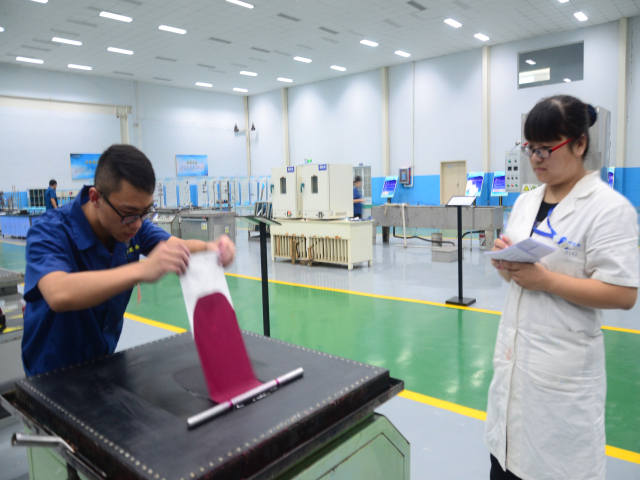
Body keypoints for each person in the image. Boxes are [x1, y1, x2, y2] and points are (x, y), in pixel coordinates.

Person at [484, 95, 638, 480]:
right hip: (514, 367)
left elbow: (623, 294)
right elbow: (519, 277)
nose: (535, 159)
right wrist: (506, 264)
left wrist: (547, 280)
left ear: (579, 144)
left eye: (545, 149)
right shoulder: (526, 202)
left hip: (563, 383)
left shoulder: (608, 208)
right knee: (505, 465)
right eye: (530, 148)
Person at [22, 145, 236, 377]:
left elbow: (177, 246)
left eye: (145, 212)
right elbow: (58, 292)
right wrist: (140, 271)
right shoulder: (49, 230)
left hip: (103, 361)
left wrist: (211, 247)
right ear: (95, 198)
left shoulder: (133, 227)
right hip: (51, 372)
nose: (137, 224)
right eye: (129, 213)